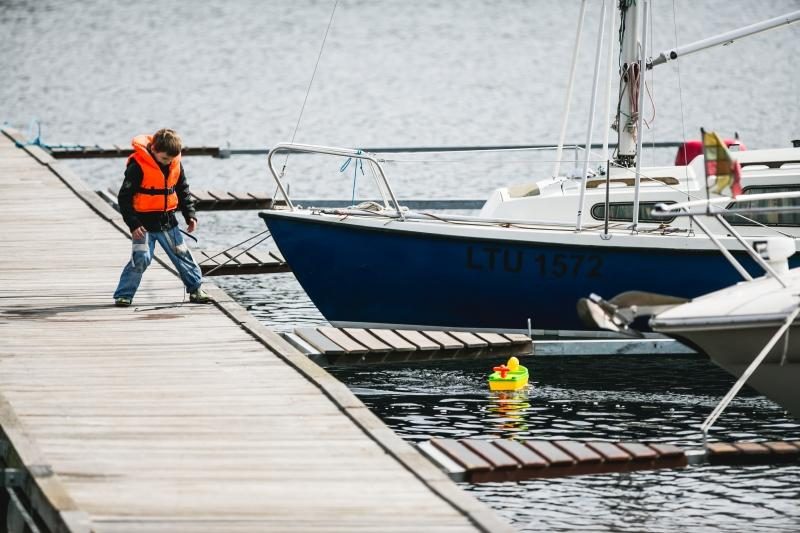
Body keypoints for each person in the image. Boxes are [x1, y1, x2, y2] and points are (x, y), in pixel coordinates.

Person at [113, 128, 212, 306]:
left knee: (182, 255)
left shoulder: (175, 164)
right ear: (153, 150)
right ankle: (124, 294)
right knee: (141, 258)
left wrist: (190, 215)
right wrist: (133, 224)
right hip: (142, 225)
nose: (168, 162)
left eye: (171, 159)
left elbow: (183, 191)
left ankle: (196, 289)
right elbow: (124, 198)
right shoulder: (137, 168)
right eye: (165, 158)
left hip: (168, 223)